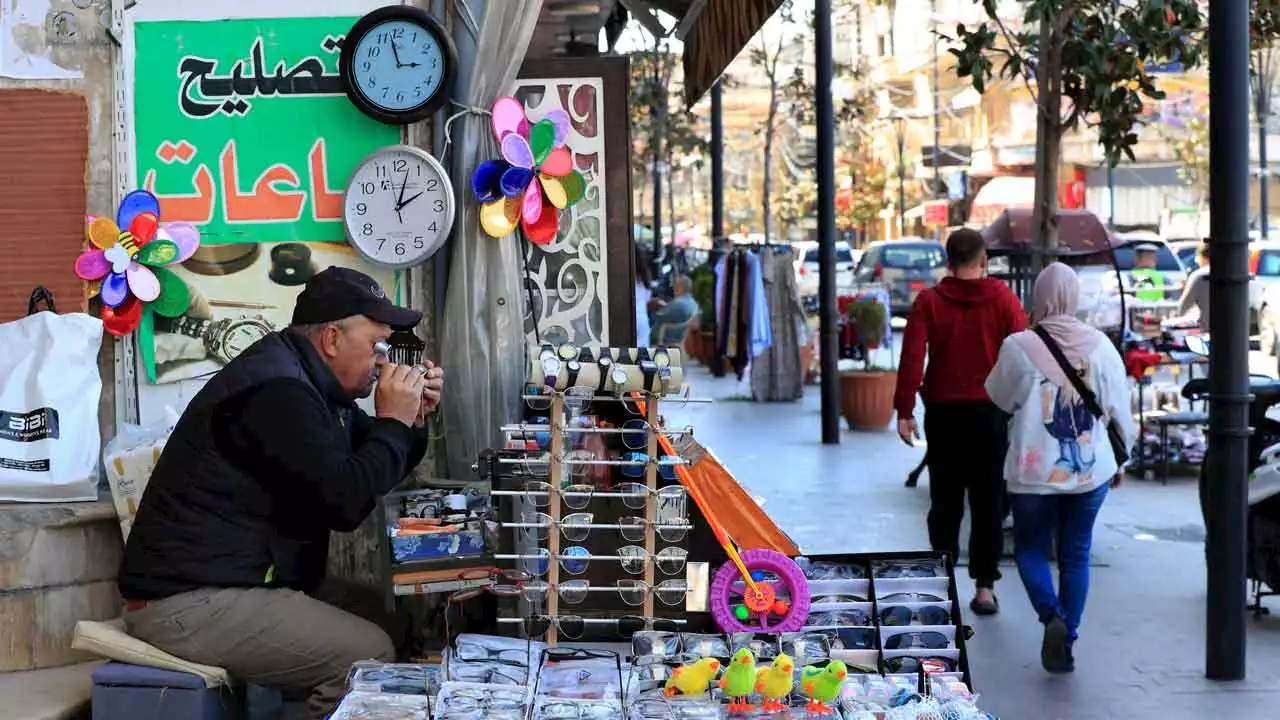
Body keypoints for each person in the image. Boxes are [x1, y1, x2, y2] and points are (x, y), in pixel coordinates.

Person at [118, 267, 444, 719]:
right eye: (377, 347)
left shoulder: (312, 385)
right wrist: (393, 422)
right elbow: (345, 502)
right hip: (186, 601)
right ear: (332, 338)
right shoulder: (276, 392)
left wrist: (413, 419)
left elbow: (372, 459)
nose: (384, 363)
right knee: (366, 651)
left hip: (240, 583)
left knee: (389, 619)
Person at [984, 262, 1135, 673]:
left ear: (1040, 296)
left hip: (1032, 473)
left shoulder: (1018, 345)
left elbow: (998, 396)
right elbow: (1121, 409)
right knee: (1076, 553)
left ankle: (1050, 614)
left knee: (1030, 549)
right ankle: (1066, 639)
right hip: (1091, 472)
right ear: (1074, 297)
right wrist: (1125, 456)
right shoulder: (1102, 347)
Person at [894, 228, 1026, 615]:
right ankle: (985, 588)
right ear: (983, 260)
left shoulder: (930, 302)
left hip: (944, 415)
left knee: (945, 501)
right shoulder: (1003, 298)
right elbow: (1020, 351)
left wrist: (904, 410)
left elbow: (913, 356)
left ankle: (943, 581)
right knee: (988, 502)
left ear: (948, 261)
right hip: (990, 413)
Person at [651, 274, 699, 345]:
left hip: (667, 342)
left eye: (676, 285)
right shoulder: (694, 303)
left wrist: (654, 306)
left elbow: (657, 317)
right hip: (684, 342)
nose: (673, 288)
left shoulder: (677, 303)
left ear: (681, 287)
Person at [1175, 240, 1210, 332]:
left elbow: (1182, 309)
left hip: (1208, 335)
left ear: (1203, 257)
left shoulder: (1199, 276)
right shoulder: (1241, 276)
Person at [635, 246, 654, 345]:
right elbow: (647, 299)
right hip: (643, 319)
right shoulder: (644, 277)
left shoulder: (622, 276)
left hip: (628, 320)